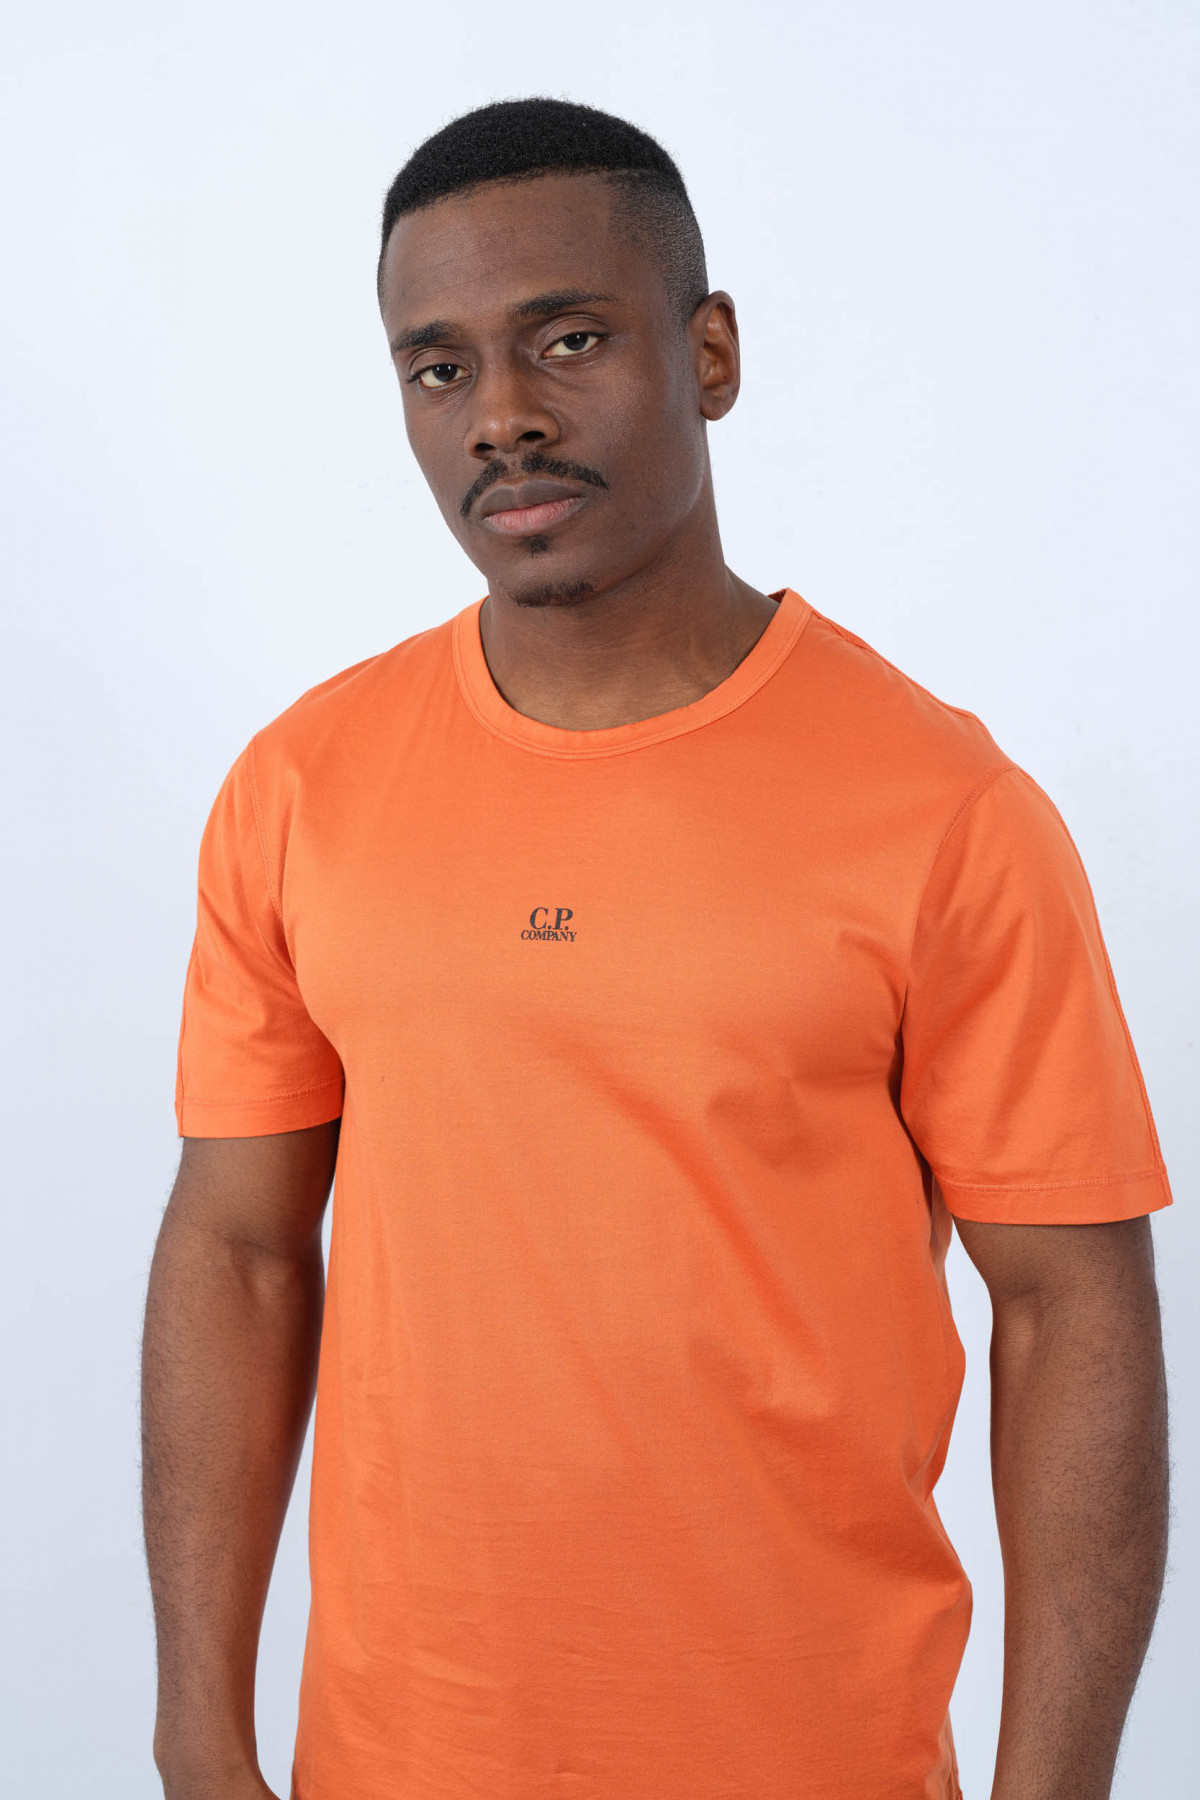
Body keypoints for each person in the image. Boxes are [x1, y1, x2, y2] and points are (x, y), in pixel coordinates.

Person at [142, 98, 1172, 1800]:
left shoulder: (946, 808)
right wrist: (196, 1729)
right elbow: (240, 1251)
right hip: (392, 1758)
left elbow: (1071, 1313)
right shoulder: (301, 788)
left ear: (710, 354)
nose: (505, 415)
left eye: (568, 339)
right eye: (440, 368)